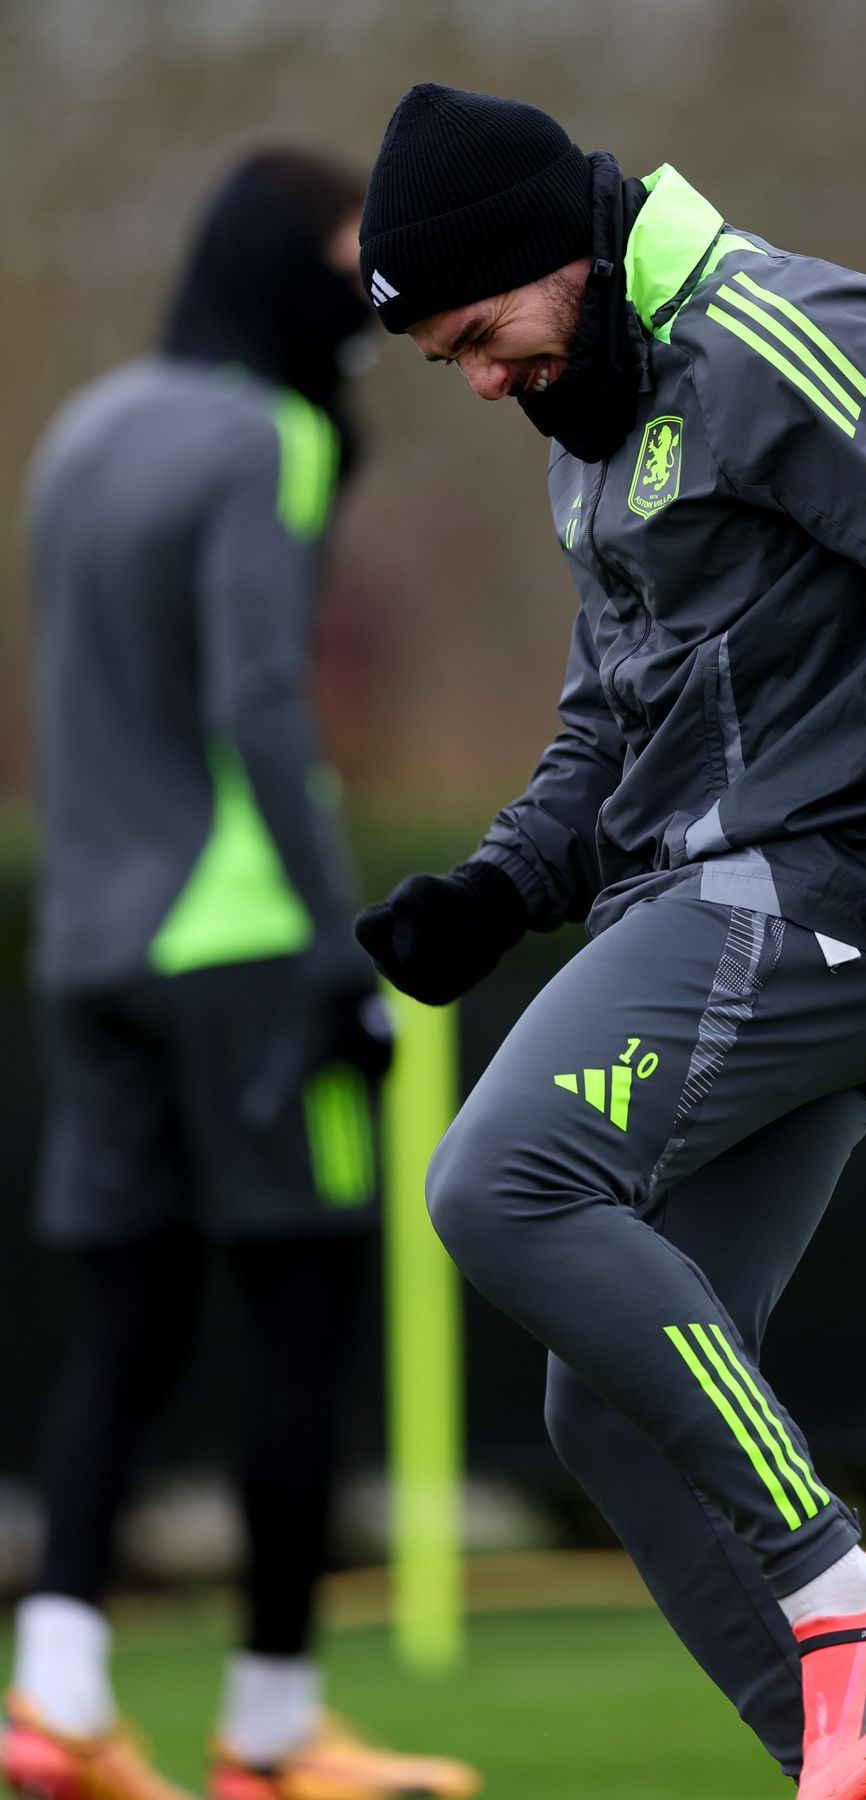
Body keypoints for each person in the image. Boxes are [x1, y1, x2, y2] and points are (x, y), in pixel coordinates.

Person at [352, 84, 866, 1800]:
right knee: (601, 1412)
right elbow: (611, 729)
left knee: (500, 1183)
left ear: (557, 255)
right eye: (448, 366)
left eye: (485, 335)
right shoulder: (601, 417)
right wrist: (495, 887)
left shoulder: (777, 337)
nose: (482, 381)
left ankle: (847, 1590)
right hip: (718, 914)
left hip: (833, 900)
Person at [5, 150, 479, 1800]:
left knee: (123, 1327)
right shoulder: (263, 437)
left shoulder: (84, 428)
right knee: (300, 1317)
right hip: (241, 949)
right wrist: (344, 946)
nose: (375, 293)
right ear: (283, 265)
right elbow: (259, 707)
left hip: (85, 951)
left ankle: (53, 1700)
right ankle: (271, 1734)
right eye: (352, 256)